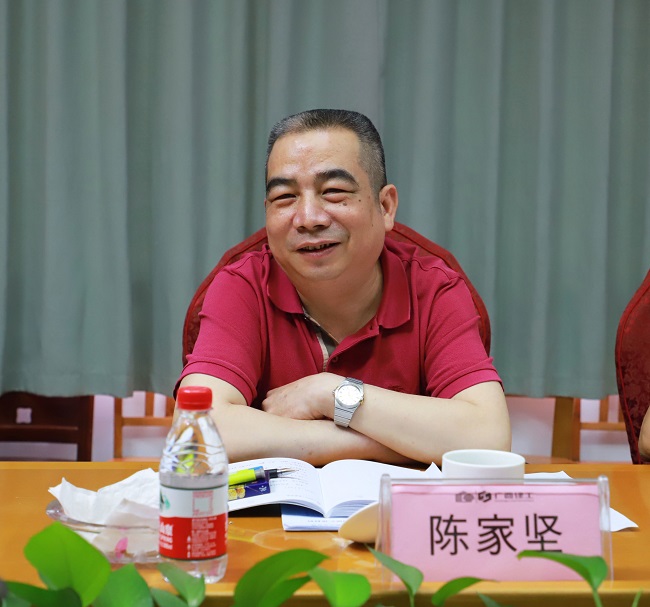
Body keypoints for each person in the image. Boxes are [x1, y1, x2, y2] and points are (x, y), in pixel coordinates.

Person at [177, 109, 510, 465]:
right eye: (285, 197)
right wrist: (389, 443)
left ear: (385, 206)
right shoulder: (242, 285)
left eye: (333, 192)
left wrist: (330, 393)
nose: (308, 218)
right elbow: (196, 432)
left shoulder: (434, 287)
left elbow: (487, 438)